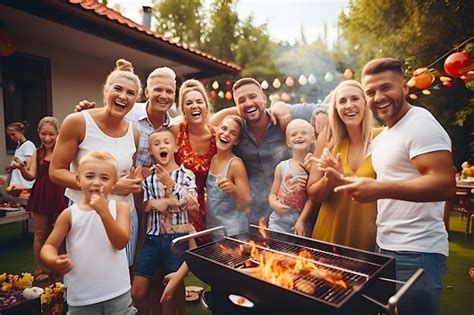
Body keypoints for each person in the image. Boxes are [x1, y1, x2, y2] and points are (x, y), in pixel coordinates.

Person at [335, 58, 456, 315]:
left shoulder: (420, 123)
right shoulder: (385, 136)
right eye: (370, 92)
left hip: (418, 251)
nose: (378, 97)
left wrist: (379, 189)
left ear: (404, 86)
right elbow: (391, 182)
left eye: (385, 87)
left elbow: (444, 184)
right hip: (387, 246)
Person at [50, 59, 143, 267]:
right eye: (117, 89)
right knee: (85, 272)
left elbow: (127, 173)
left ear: (135, 101)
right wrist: (112, 186)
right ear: (105, 91)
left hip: (124, 214)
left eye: (130, 93)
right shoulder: (78, 122)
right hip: (86, 212)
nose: (123, 96)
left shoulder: (134, 133)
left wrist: (133, 183)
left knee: (122, 270)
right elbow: (56, 172)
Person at [40, 150, 134, 314]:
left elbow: (120, 242)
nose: (97, 182)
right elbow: (48, 246)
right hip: (82, 298)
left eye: (104, 178)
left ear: (114, 183)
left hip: (117, 292)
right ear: (78, 179)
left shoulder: (120, 208)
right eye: (90, 176)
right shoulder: (69, 214)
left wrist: (103, 212)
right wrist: (52, 260)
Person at [231, 78, 328, 225]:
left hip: (299, 217)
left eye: (253, 97)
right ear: (236, 106)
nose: (248, 103)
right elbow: (209, 124)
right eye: (241, 100)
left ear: (264, 99)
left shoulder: (288, 115)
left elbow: (329, 106)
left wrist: (321, 112)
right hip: (258, 220)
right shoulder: (237, 131)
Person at [307, 80, 381, 251]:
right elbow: (314, 195)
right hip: (329, 234)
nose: (349, 106)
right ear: (335, 109)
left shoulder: (382, 138)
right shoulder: (327, 141)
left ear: (365, 103)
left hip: (368, 239)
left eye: (355, 99)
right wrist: (329, 178)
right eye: (342, 101)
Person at [131, 128, 197, 315]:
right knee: (137, 291)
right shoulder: (148, 180)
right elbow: (143, 206)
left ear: (175, 147)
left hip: (177, 239)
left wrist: (170, 187)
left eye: (167, 142)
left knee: (172, 288)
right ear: (151, 151)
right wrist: (152, 203)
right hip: (152, 239)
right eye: (157, 143)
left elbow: (191, 203)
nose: (162, 146)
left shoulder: (186, 175)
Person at [11, 116, 67, 282]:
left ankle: (57, 266)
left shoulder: (63, 150)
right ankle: (38, 269)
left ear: (58, 134)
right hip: (41, 193)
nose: (47, 138)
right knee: (39, 234)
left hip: (59, 192)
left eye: (51, 134)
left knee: (60, 232)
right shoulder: (37, 152)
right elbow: (31, 176)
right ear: (39, 134)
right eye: (43, 134)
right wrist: (22, 168)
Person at [173, 79, 217, 243]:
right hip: (176, 202)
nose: (195, 106)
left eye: (199, 102)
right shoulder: (176, 131)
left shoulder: (216, 136)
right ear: (183, 109)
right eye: (189, 103)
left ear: (206, 107)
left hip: (205, 206)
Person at [268, 119, 315, 236]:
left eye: (304, 133)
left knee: (300, 253)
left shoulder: (314, 168)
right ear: (288, 142)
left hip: (301, 221)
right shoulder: (282, 167)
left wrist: (302, 220)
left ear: (313, 138)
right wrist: (274, 204)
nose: (299, 136)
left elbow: (312, 199)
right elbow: (272, 194)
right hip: (278, 221)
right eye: (294, 134)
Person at [206, 115, 251, 237]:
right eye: (223, 128)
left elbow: (246, 204)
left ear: (236, 140)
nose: (226, 134)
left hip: (234, 233)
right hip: (214, 230)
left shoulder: (236, 164)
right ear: (217, 131)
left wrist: (233, 189)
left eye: (233, 133)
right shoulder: (213, 158)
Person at [5, 121, 36, 189]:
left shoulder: (28, 145)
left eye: (13, 134)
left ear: (21, 132)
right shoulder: (19, 146)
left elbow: (28, 165)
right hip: (17, 183)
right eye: (10, 136)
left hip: (25, 184)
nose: (12, 137)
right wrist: (11, 168)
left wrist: (16, 166)